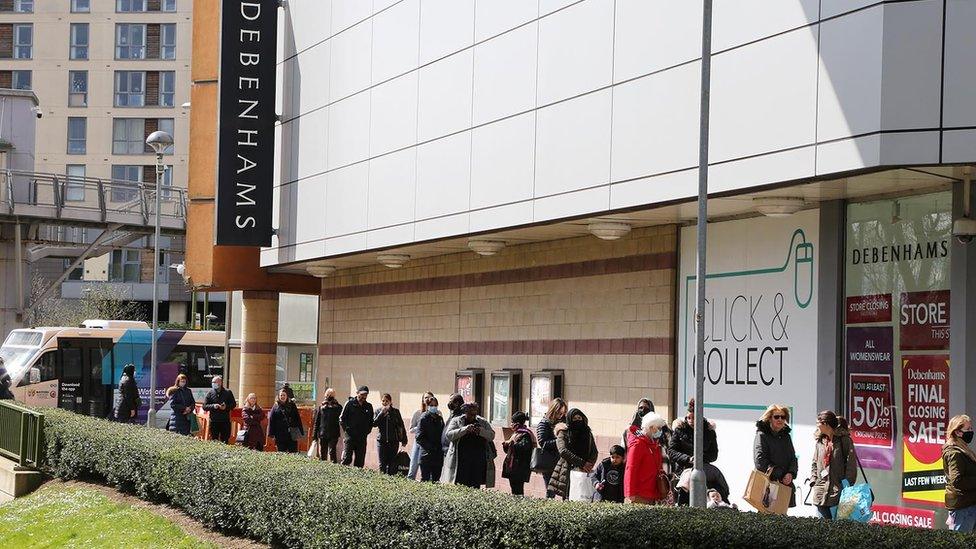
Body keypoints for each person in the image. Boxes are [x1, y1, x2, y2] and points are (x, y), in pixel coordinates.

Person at [670, 398, 726, 504]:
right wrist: (688, 459)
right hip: (684, 468)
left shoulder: (709, 432)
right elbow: (672, 451)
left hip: (703, 466)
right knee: (688, 483)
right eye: (688, 418)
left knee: (717, 476)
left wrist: (700, 458)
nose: (691, 421)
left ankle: (724, 500)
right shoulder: (680, 430)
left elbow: (714, 455)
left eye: (694, 418)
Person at [809, 410, 857, 519]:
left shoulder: (844, 440)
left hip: (838, 493)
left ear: (825, 423)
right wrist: (814, 480)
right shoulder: (820, 442)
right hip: (820, 493)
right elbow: (814, 463)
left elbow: (851, 465)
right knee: (822, 529)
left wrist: (846, 486)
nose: (817, 425)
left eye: (818, 423)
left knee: (837, 530)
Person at [754, 404, 799, 508]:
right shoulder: (762, 435)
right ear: (770, 418)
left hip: (784, 485)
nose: (780, 419)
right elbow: (760, 461)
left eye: (783, 417)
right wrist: (781, 474)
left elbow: (793, 457)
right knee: (766, 517)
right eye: (776, 417)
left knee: (782, 518)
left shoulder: (786, 436)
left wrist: (791, 473)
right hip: (768, 485)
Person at [441, 402, 495, 488]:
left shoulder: (482, 422)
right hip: (461, 460)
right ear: (465, 412)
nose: (473, 416)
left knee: (475, 485)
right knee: (460, 485)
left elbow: (491, 435)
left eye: (474, 414)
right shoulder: (456, 421)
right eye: (470, 414)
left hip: (478, 460)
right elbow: (449, 435)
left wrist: (481, 431)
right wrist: (465, 430)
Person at [548, 408, 598, 499]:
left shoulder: (587, 433)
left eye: (579, 418)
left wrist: (589, 465)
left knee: (584, 497)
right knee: (568, 497)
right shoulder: (563, 432)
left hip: (584, 470)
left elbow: (594, 451)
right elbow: (563, 451)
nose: (578, 420)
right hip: (567, 469)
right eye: (574, 418)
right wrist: (582, 463)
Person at [625, 412, 667, 504]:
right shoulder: (638, 444)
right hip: (639, 493)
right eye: (659, 428)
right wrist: (630, 493)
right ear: (651, 427)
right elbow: (631, 468)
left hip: (651, 492)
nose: (660, 431)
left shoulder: (653, 444)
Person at [944, 414, 976, 532]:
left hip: (968, 504)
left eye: (971, 428)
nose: (971, 431)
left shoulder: (963, 448)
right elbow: (957, 481)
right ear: (957, 432)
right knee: (960, 542)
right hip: (963, 507)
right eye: (967, 429)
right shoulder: (954, 453)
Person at [536, 397, 567, 498]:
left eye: (563, 413)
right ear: (553, 410)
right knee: (550, 492)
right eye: (559, 413)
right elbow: (543, 443)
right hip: (550, 461)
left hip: (563, 461)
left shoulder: (564, 422)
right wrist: (561, 440)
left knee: (566, 490)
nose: (561, 416)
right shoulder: (544, 423)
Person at [501, 411, 536, 496]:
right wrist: (506, 445)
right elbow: (509, 450)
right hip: (513, 466)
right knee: (514, 489)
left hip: (520, 467)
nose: (511, 424)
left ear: (517, 423)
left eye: (512, 422)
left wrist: (511, 444)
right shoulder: (516, 433)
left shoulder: (525, 434)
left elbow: (524, 448)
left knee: (518, 490)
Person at [340, 386, 375, 467]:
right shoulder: (349, 404)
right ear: (357, 393)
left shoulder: (368, 406)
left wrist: (367, 431)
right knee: (347, 458)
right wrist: (347, 430)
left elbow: (371, 421)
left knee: (360, 460)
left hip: (362, 437)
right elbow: (342, 419)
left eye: (366, 395)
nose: (364, 397)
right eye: (362, 394)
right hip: (350, 436)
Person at [374, 393, 408, 475]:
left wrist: (404, 439)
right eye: (383, 401)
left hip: (393, 441)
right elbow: (374, 423)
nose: (385, 403)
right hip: (381, 441)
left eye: (387, 401)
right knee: (382, 464)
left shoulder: (395, 412)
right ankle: (382, 480)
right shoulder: (378, 411)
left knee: (392, 463)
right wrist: (382, 414)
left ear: (390, 402)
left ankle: (390, 480)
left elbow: (401, 425)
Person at [416, 396, 445, 482]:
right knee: (425, 480)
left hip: (438, 456)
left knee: (436, 480)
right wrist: (431, 448)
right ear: (428, 406)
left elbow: (443, 434)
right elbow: (419, 437)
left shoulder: (439, 419)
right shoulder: (423, 418)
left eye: (435, 405)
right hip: (426, 456)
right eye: (432, 405)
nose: (434, 407)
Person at [408, 391, 435, 479]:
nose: (428, 399)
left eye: (430, 397)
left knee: (429, 469)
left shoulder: (437, 413)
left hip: (431, 443)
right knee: (413, 466)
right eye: (426, 397)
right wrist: (420, 427)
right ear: (423, 400)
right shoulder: (418, 413)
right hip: (418, 442)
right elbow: (411, 430)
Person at [203, 375, 237, 444]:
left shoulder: (228, 392)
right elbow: (204, 406)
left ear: (220, 382)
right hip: (214, 421)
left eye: (215, 382)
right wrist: (213, 406)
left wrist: (226, 407)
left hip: (225, 421)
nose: (213, 383)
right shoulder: (210, 393)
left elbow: (233, 404)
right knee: (214, 440)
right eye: (212, 382)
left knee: (225, 441)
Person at [312, 388, 342, 463]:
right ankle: (324, 467)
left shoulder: (338, 407)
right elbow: (317, 422)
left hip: (333, 433)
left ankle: (333, 467)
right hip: (323, 433)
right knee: (323, 452)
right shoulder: (321, 407)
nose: (329, 396)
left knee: (332, 451)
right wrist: (314, 435)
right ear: (326, 395)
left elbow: (342, 418)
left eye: (331, 395)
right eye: (328, 394)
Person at [269, 388, 304, 453]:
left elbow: (297, 418)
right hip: (280, 434)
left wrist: (301, 431)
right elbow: (272, 420)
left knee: (293, 453)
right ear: (279, 397)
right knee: (281, 453)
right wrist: (271, 434)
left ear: (287, 396)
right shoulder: (275, 406)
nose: (282, 397)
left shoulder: (292, 405)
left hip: (292, 433)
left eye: (284, 395)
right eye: (281, 395)